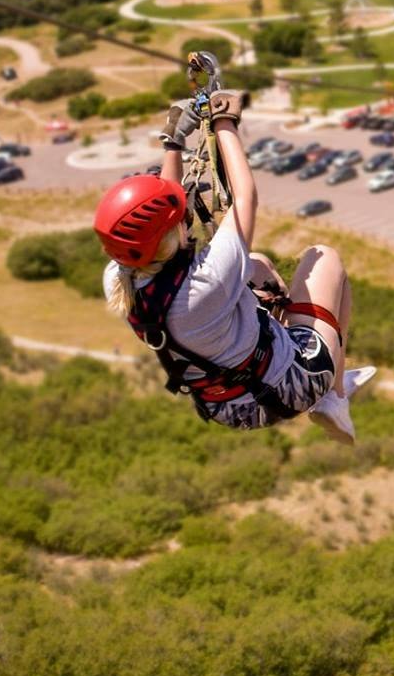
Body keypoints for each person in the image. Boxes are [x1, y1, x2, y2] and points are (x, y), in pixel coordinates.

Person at [94, 90, 372, 437]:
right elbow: (246, 198)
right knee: (326, 259)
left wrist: (174, 141)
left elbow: (166, 207)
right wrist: (225, 120)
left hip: (228, 406)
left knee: (256, 265)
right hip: (291, 388)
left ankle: (291, 354)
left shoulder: (119, 279)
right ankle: (333, 396)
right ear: (170, 235)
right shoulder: (205, 285)